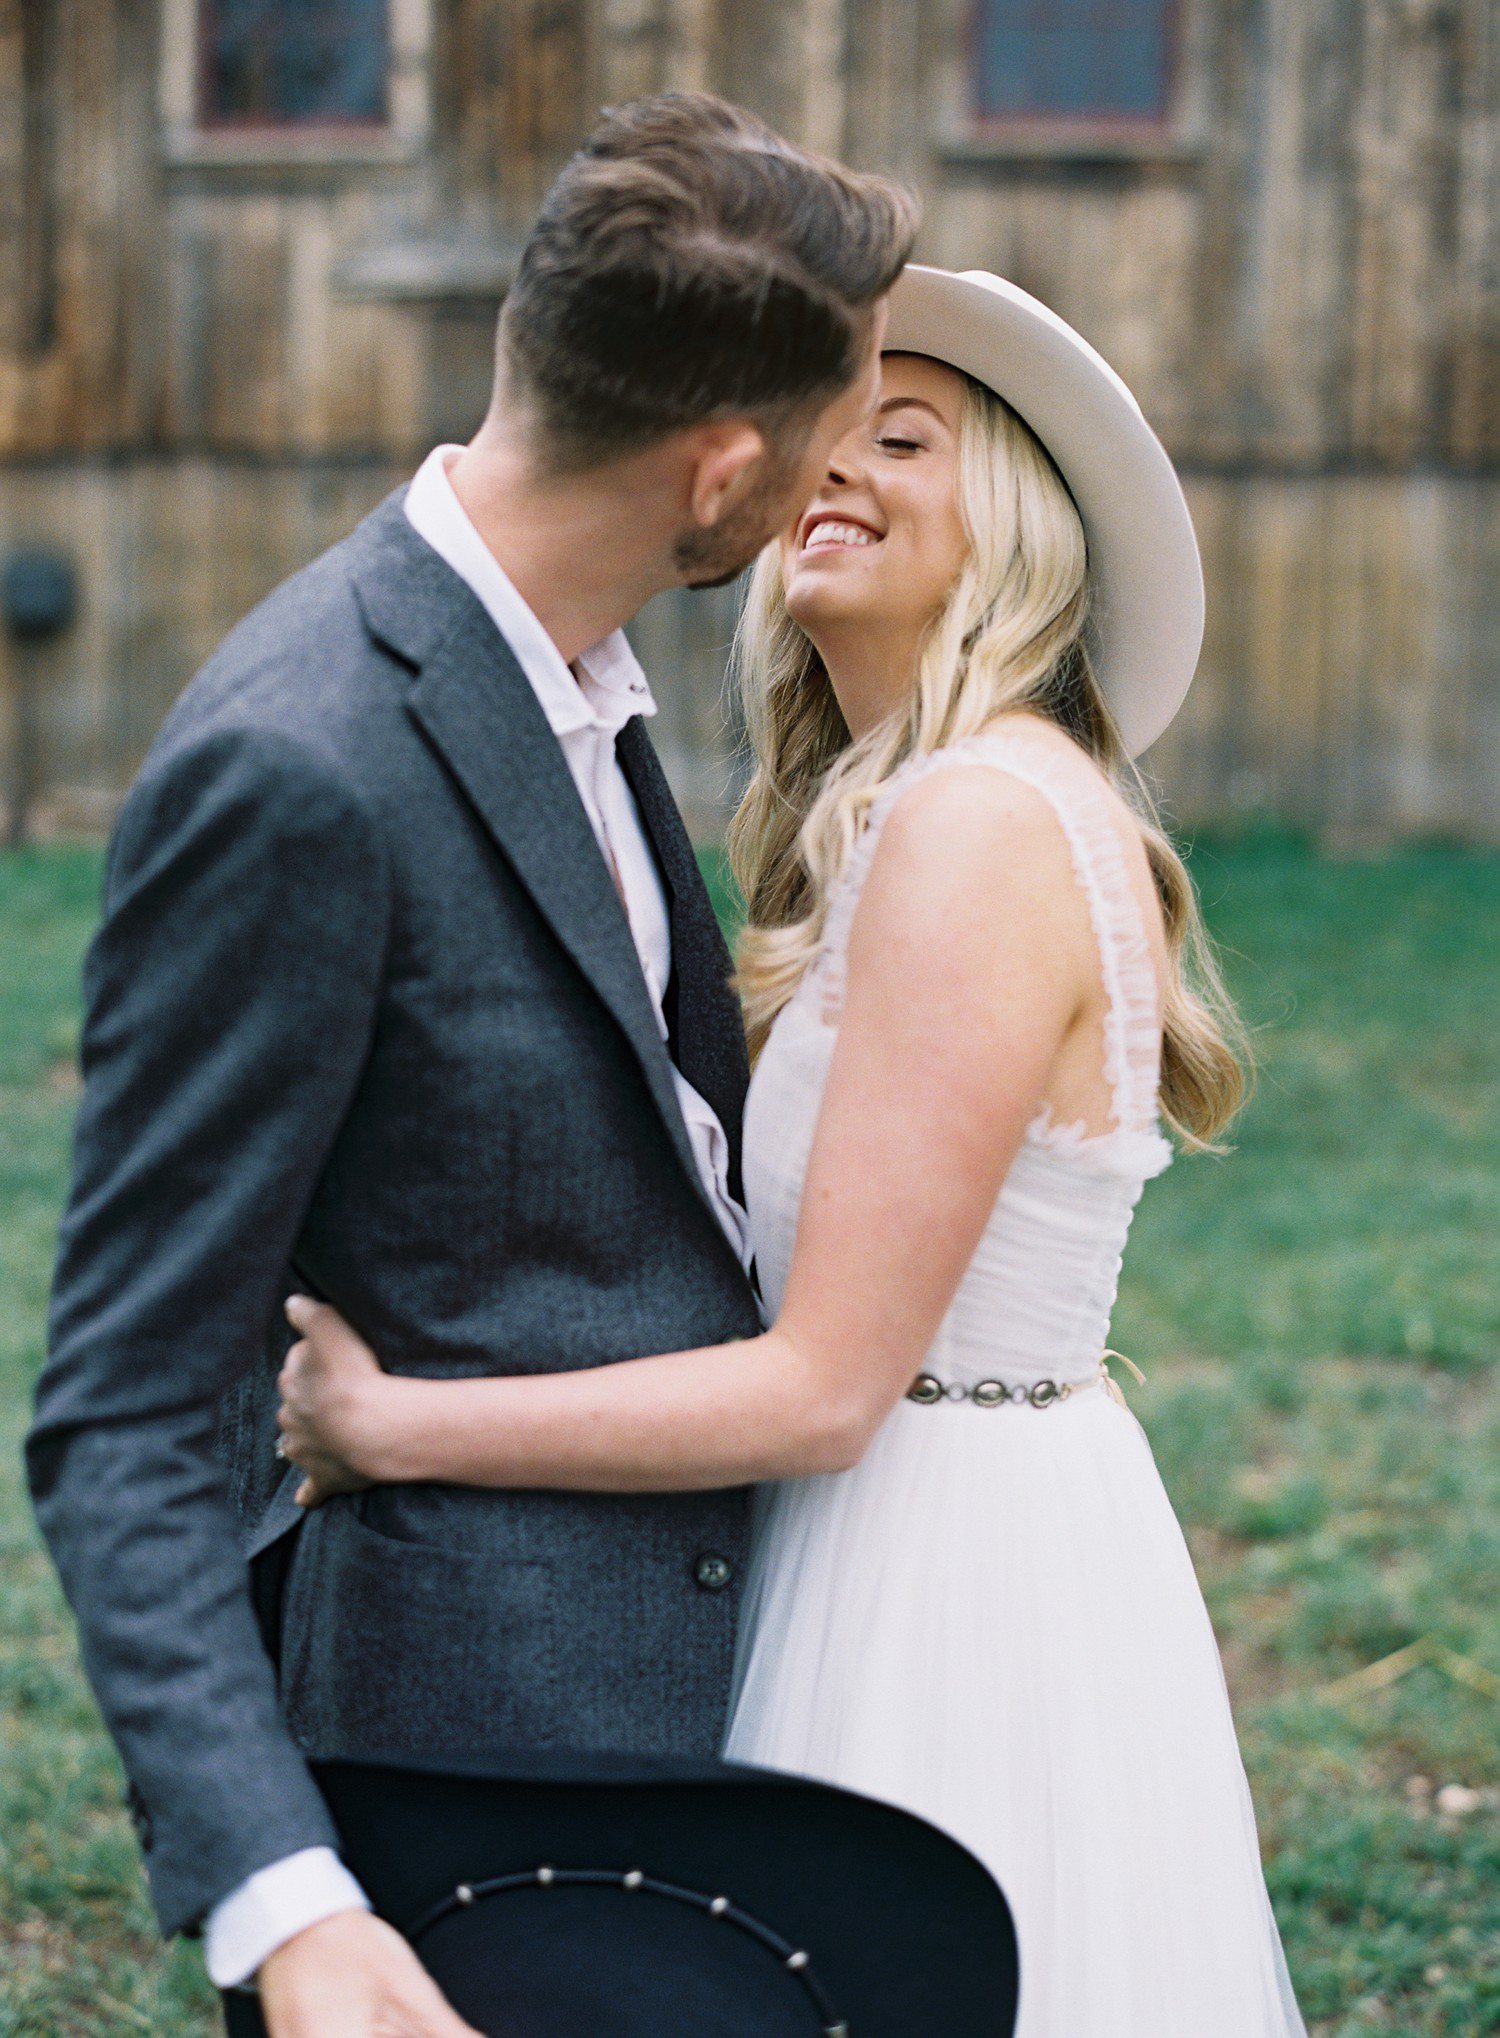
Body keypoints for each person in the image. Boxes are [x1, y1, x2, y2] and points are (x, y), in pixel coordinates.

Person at [278, 268, 1310, 2036]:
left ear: (1019, 528)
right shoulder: (960, 802)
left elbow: (828, 1386)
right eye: (822, 439)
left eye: (902, 439)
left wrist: (389, 1427)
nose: (832, 470)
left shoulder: (976, 824)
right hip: (974, 1517)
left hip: (931, 1575)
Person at [26, 93, 917, 2038]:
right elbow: (120, 1413)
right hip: (462, 1796)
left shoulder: (575, 677)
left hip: (695, 1710)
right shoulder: (302, 760)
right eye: (834, 440)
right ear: (724, 471)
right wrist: (288, 1900)